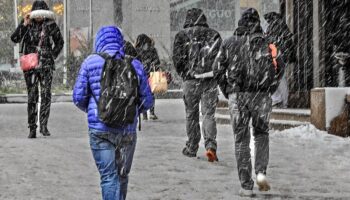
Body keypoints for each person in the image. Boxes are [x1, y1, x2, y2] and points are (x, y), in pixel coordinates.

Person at [73, 26, 153, 200]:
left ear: (98, 41)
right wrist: (130, 111)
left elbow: (78, 97)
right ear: (120, 42)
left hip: (100, 130)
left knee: (109, 177)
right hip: (127, 131)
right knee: (122, 176)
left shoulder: (90, 62)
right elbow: (148, 101)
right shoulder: (135, 64)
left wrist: (96, 110)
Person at [214, 8, 285, 197]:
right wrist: (270, 87)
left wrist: (227, 90)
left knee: (241, 139)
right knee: (262, 134)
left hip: (238, 96)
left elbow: (217, 69)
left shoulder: (229, 43)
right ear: (257, 23)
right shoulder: (268, 43)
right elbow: (280, 67)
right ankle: (261, 175)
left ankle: (246, 184)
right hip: (261, 96)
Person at [172, 8, 222, 162]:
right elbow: (220, 58)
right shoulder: (214, 35)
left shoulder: (182, 35)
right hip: (210, 80)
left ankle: (192, 146)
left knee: (191, 115)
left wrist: (186, 73)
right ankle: (210, 146)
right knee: (208, 114)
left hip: (191, 81)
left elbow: (177, 59)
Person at [10, 0, 64, 138]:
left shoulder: (50, 24)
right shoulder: (27, 23)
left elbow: (60, 42)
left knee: (46, 95)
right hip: (31, 66)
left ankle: (44, 126)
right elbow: (14, 38)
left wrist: (51, 54)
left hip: (46, 66)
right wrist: (24, 24)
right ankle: (32, 127)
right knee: (32, 96)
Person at [264, 12, 296, 108]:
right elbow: (288, 44)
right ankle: (283, 101)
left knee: (277, 78)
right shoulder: (282, 26)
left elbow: (270, 43)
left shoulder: (274, 27)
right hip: (281, 56)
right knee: (281, 78)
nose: (267, 22)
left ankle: (279, 100)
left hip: (277, 56)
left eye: (268, 20)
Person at [135, 34, 160, 120]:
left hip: (150, 75)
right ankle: (144, 113)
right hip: (142, 76)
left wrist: (152, 64)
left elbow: (157, 61)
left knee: (151, 94)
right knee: (142, 94)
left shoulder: (152, 50)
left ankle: (152, 112)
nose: (146, 46)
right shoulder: (137, 51)